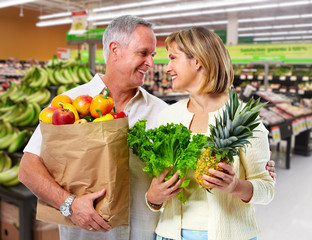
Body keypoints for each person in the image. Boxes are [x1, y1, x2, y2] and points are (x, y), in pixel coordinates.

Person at [19, 16, 276, 240]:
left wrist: (245, 180)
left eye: (155, 55)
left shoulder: (163, 112)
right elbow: (28, 168)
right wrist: (69, 204)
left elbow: (252, 181)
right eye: (144, 53)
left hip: (146, 233)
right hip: (85, 235)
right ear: (115, 50)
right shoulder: (68, 105)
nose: (152, 63)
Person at [145, 27, 275, 240]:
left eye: (172, 58)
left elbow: (267, 189)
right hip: (168, 235)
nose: (167, 68)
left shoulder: (243, 119)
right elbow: (157, 187)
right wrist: (153, 198)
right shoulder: (167, 116)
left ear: (197, 61)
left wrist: (235, 186)